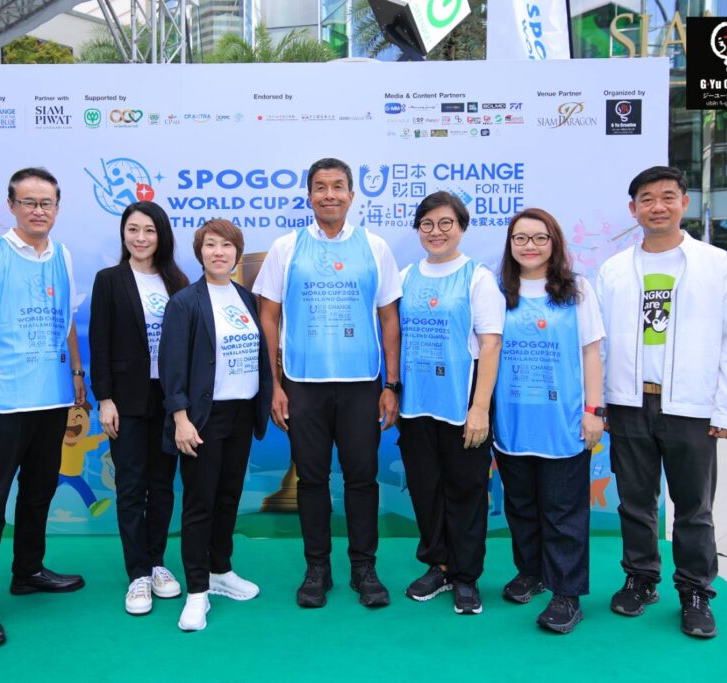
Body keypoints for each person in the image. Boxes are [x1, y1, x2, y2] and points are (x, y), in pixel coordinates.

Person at [597, 166, 727, 638]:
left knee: (693, 507)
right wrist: (601, 403)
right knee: (634, 502)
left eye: (668, 197)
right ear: (633, 210)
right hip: (629, 403)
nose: (658, 206)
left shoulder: (716, 265)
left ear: (684, 203)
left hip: (691, 406)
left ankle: (695, 592)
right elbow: (599, 344)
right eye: (647, 199)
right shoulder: (614, 270)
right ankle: (641, 580)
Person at [253, 158, 402, 608]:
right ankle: (317, 568)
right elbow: (268, 316)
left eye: (338, 186)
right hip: (303, 384)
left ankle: (364, 568)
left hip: (361, 384)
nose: (330, 194)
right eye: (320, 187)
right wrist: (275, 385)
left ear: (352, 195)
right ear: (310, 196)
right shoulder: (286, 248)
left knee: (362, 478)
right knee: (312, 479)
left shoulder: (375, 247)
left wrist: (391, 384)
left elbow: (389, 319)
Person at [0, 167, 87, 647]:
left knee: (39, 491)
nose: (38, 210)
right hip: (3, 400)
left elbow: (67, 319)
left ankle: (28, 570)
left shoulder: (62, 255)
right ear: (11, 206)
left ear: (57, 208)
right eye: (28, 202)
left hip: (51, 397)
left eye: (46, 203)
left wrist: (77, 373)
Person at [493, 208, 605, 634]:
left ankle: (566, 594)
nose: (530, 246)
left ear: (554, 243)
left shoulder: (577, 290)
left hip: (564, 422)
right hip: (513, 422)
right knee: (521, 507)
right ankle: (531, 573)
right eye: (520, 238)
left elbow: (591, 352)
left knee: (563, 513)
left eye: (540, 238)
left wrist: (594, 411)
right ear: (510, 244)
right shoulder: (497, 291)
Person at [159, 219, 273, 631]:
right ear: (200, 253)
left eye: (227, 245)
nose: (219, 252)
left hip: (242, 415)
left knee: (228, 499)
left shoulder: (245, 298)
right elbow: (172, 367)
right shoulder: (184, 303)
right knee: (200, 504)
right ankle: (196, 591)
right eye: (211, 245)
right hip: (202, 420)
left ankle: (220, 571)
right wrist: (181, 419)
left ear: (237, 253)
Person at [397, 191, 503, 615]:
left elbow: (491, 345)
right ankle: (438, 565)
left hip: (462, 405)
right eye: (427, 224)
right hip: (416, 406)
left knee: (466, 491)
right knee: (426, 489)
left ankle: (465, 576)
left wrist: (479, 408)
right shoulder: (406, 276)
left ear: (461, 228)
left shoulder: (478, 277)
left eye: (446, 223)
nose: (436, 232)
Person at [89, 201, 189, 615]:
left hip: (169, 400)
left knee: (162, 485)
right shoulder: (109, 280)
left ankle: (157, 562)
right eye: (133, 229)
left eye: (149, 230)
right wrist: (105, 399)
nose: (141, 237)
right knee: (131, 487)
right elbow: (99, 341)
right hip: (126, 401)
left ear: (161, 235)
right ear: (123, 234)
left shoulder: (178, 281)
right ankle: (138, 574)